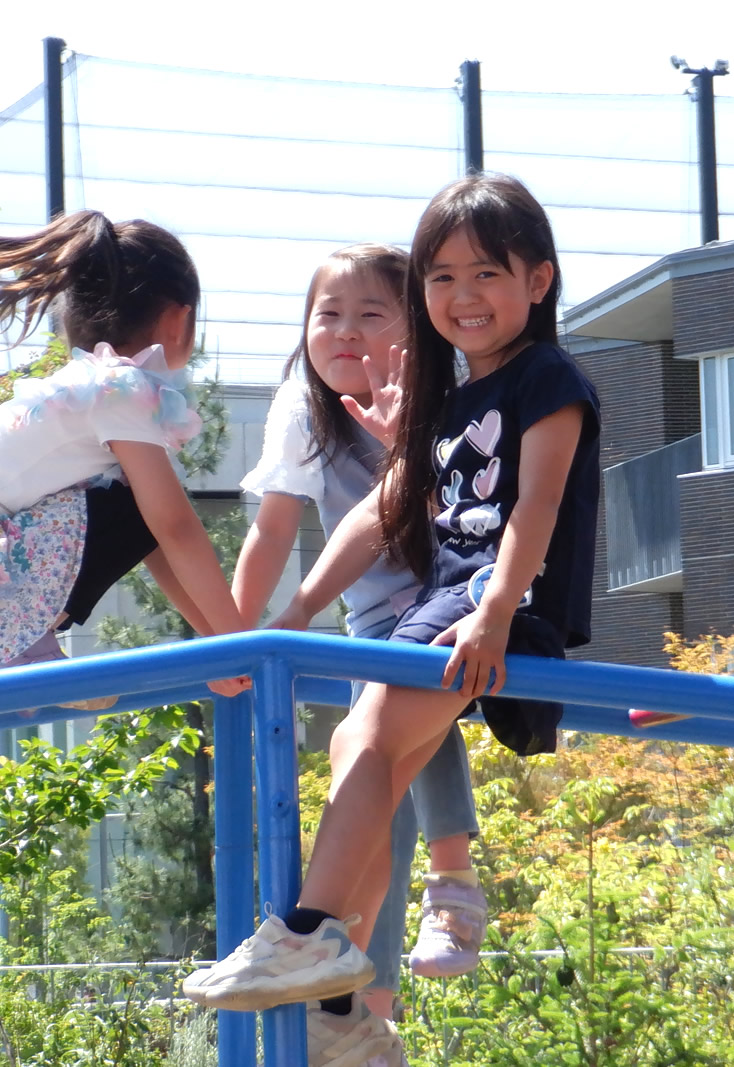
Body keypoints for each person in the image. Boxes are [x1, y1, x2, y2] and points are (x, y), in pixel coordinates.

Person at [184, 173, 599, 1019]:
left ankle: (309, 934)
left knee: (369, 736)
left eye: (486, 273)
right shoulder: (446, 403)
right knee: (356, 744)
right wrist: (298, 611)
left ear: (539, 281)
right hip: (450, 605)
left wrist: (493, 612)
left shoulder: (547, 379)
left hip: (495, 605)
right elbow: (386, 512)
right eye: (441, 278)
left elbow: (539, 506)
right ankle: (338, 972)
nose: (463, 296)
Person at [213, 243, 489, 1064]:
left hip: (460, 599)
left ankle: (455, 880)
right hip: (373, 615)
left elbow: (447, 511)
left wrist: (412, 430)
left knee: (406, 702)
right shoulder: (304, 402)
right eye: (326, 315)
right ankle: (353, 1001)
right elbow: (273, 527)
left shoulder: (447, 395)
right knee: (372, 795)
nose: (344, 332)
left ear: (415, 329)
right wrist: (237, 632)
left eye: (372, 314)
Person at [0, 211, 248, 702]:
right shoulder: (118, 389)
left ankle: (23, 645)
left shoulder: (95, 387)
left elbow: (152, 538)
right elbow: (173, 527)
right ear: (178, 318)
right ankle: (21, 652)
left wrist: (220, 644)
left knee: (135, 502)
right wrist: (242, 645)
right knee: (140, 503)